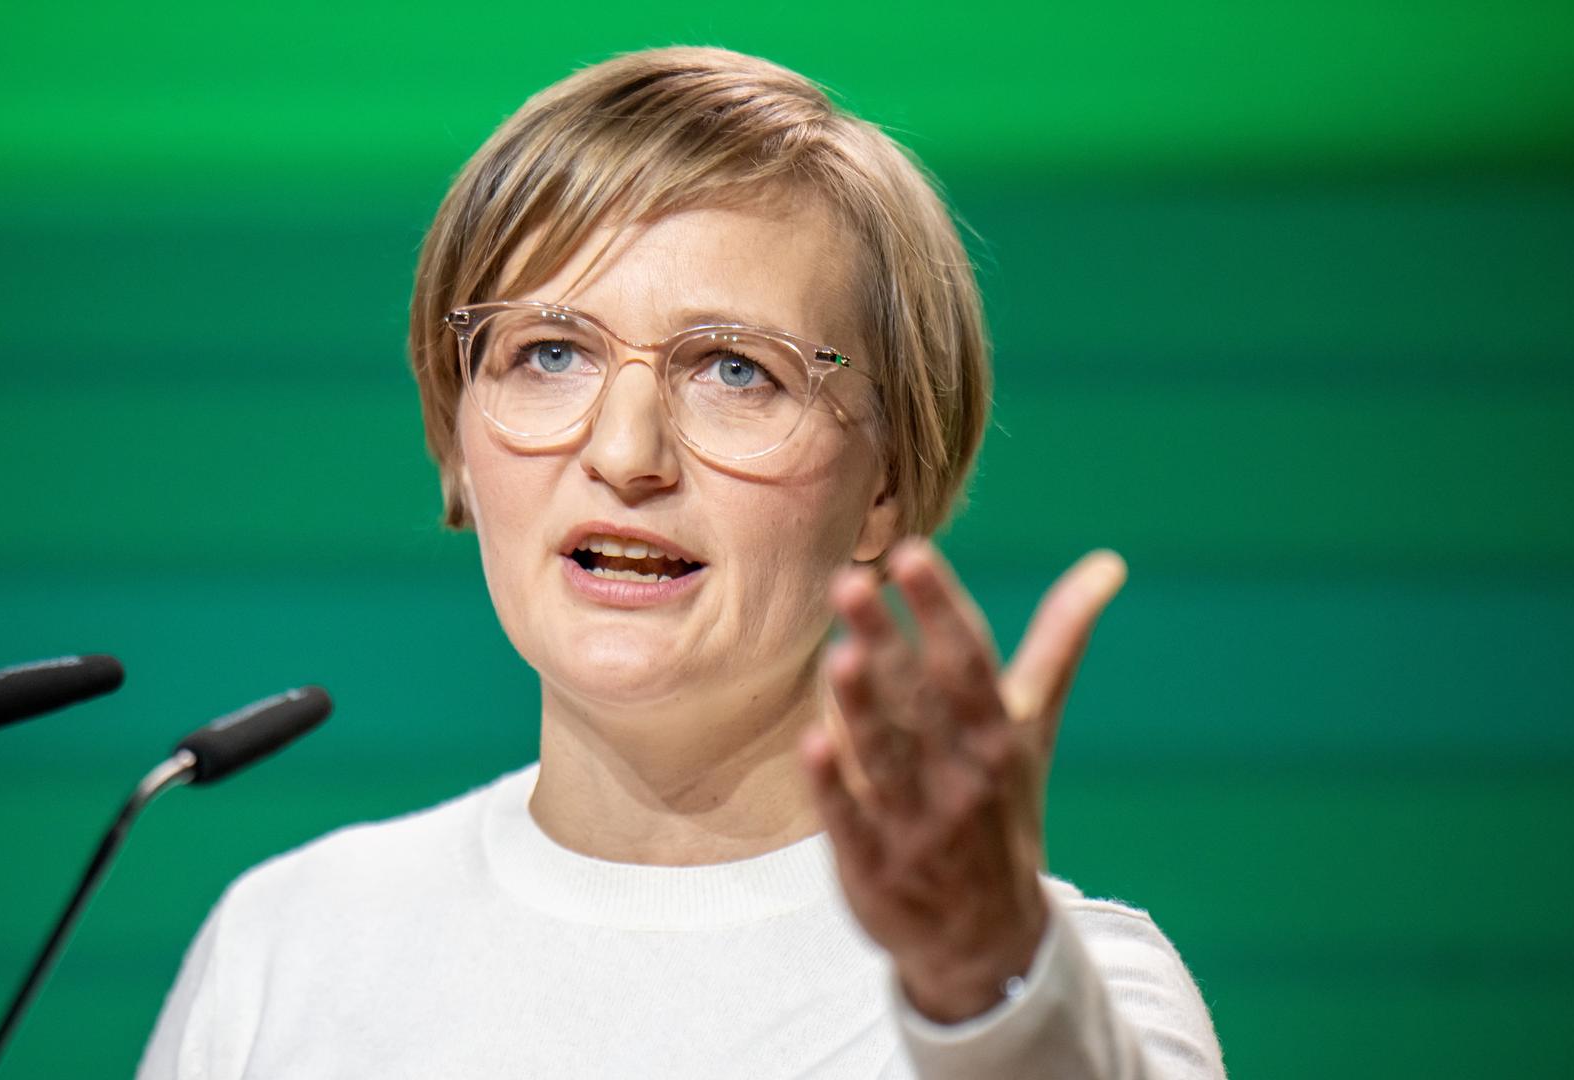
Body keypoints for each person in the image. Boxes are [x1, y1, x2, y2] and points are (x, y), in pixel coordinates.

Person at [137, 45, 1224, 1079]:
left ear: (883, 485)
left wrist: (987, 991)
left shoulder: (1069, 996)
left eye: (737, 370)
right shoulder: (284, 945)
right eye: (549, 352)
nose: (625, 454)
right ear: (452, 437)